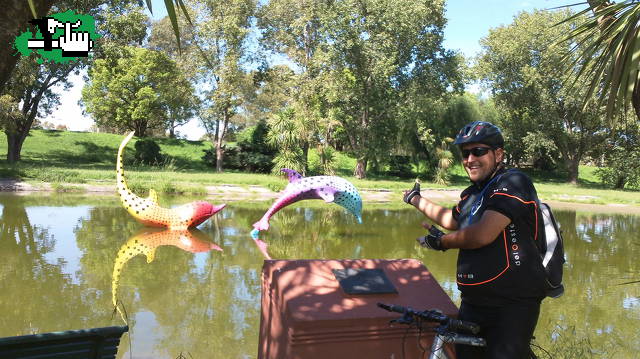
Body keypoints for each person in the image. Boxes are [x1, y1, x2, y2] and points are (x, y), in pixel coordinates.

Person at [403, 121, 546, 359]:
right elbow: (451, 220)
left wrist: (443, 242)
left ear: (498, 154)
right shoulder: (473, 193)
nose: (470, 159)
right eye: (465, 153)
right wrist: (415, 199)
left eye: (478, 151)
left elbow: (481, 234)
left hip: (512, 302)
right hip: (474, 300)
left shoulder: (513, 182)